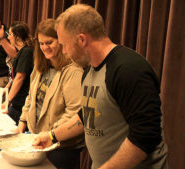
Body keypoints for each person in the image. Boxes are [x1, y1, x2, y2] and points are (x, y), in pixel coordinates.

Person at [33, 4, 168, 169]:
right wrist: (52, 136)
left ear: (82, 40)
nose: (65, 51)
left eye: (64, 44)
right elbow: (87, 115)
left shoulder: (129, 69)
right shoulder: (89, 71)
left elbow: (145, 136)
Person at [14, 19, 84, 169]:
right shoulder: (40, 66)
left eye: (49, 42)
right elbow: (30, 98)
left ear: (61, 41)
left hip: (61, 148)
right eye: (41, 43)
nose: (45, 47)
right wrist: (22, 124)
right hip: (40, 141)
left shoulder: (73, 71)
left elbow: (74, 113)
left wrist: (51, 134)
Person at [0, 21, 34, 124]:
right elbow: (14, 77)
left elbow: (20, 77)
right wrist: (4, 90)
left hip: (20, 104)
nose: (8, 37)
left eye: (10, 34)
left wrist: (8, 100)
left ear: (18, 37)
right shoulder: (21, 52)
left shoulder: (27, 52)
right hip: (16, 103)